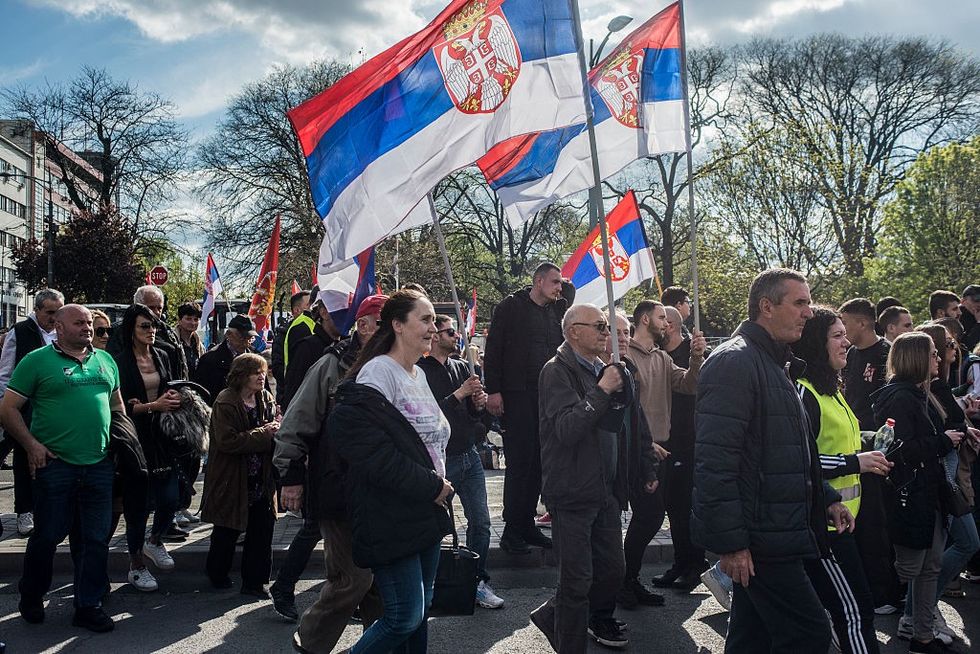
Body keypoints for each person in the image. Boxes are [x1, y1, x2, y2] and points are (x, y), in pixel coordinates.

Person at [692, 268, 853, 653]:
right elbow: (715, 463)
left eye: (808, 303)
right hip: (763, 537)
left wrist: (826, 496)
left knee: (752, 639)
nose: (809, 313)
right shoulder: (735, 362)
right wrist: (732, 545)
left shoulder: (773, 363)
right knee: (810, 634)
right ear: (766, 306)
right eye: (799, 303)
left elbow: (791, 450)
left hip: (775, 530)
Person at [328, 289, 453, 653]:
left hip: (426, 506)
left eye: (434, 320)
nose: (435, 327)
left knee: (420, 612)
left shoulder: (419, 374)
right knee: (404, 615)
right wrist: (429, 484)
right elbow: (370, 449)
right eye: (426, 320)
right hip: (390, 508)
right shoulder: (378, 372)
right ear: (398, 325)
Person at [530, 304, 658, 653]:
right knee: (576, 582)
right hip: (572, 492)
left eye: (608, 325)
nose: (607, 332)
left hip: (606, 490)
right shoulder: (556, 371)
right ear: (573, 332)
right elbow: (568, 429)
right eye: (600, 326)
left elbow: (630, 426)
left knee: (612, 572)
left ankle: (551, 615)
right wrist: (603, 390)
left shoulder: (606, 368)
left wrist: (642, 467)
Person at [0, 304, 122, 632]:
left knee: (95, 540)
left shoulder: (106, 361)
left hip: (99, 465)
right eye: (79, 322)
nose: (87, 328)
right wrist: (31, 446)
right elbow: (8, 409)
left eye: (90, 323)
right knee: (47, 536)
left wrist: (122, 443)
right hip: (55, 466)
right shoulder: (37, 361)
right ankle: (31, 594)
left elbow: (116, 406)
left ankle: (88, 605)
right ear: (59, 326)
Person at [274, 295, 386, 649]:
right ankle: (309, 644)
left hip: (382, 491)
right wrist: (291, 476)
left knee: (379, 585)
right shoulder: (331, 365)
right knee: (351, 580)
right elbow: (296, 422)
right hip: (338, 488)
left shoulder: (398, 367)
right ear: (363, 325)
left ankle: (377, 645)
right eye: (384, 323)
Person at [792, 306, 889, 654]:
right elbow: (800, 461)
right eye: (837, 335)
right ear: (817, 343)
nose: (847, 342)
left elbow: (838, 439)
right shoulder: (804, 393)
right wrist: (856, 461)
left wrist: (871, 440)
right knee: (854, 612)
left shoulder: (831, 389)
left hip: (843, 521)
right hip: (823, 527)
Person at [871, 332, 961, 653]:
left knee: (930, 568)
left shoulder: (920, 394)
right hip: (911, 496)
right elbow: (898, 450)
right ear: (918, 358)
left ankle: (923, 636)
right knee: (911, 569)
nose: (939, 359)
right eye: (934, 354)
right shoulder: (901, 397)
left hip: (930, 494)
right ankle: (913, 628)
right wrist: (943, 441)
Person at [483, 262, 573, 553]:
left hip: (547, 395)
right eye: (554, 282)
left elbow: (570, 295)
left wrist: (563, 288)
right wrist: (494, 390)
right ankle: (512, 529)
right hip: (517, 393)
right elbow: (493, 349)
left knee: (539, 461)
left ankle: (527, 525)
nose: (560, 288)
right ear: (538, 281)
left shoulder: (557, 310)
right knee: (520, 462)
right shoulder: (511, 307)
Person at [419, 314, 504, 609]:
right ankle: (427, 584)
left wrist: (478, 406)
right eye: (450, 331)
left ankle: (477, 580)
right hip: (440, 459)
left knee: (480, 523)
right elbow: (429, 414)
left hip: (468, 454)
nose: (456, 336)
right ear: (435, 336)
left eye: (456, 331)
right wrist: (460, 393)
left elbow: (473, 416)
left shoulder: (461, 367)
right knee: (433, 526)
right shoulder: (420, 371)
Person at [907, 324, 979, 642]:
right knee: (962, 545)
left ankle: (919, 612)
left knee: (933, 557)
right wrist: (955, 434)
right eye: (944, 345)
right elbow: (925, 439)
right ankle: (919, 612)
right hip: (941, 478)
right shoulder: (922, 390)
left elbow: (949, 422)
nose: (952, 349)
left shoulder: (939, 385)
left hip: (948, 475)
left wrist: (965, 428)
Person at [626, 300, 705, 592]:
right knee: (649, 516)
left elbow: (688, 385)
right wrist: (644, 444)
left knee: (661, 513)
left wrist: (696, 358)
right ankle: (626, 579)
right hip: (641, 451)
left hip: (665, 449)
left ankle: (629, 579)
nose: (666, 324)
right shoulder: (624, 357)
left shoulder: (662, 357)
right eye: (661, 317)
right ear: (645, 320)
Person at [838, 297, 903, 615]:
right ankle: (865, 587)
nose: (842, 329)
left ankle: (886, 593)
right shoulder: (849, 355)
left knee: (877, 524)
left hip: (878, 451)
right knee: (860, 523)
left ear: (862, 322)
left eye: (845, 322)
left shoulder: (886, 353)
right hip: (853, 449)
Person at [113, 303, 184, 583]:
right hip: (133, 438)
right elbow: (119, 408)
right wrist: (152, 406)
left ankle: (154, 541)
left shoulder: (163, 355)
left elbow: (171, 388)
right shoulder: (118, 362)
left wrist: (175, 399)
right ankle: (136, 565)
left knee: (170, 499)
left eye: (154, 325)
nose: (152, 331)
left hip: (162, 437)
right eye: (145, 326)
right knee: (137, 506)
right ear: (131, 329)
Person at [201, 353, 279, 595]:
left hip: (261, 476)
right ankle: (217, 574)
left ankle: (255, 583)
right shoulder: (225, 401)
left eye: (263, 371)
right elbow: (228, 442)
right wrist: (265, 434)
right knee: (227, 529)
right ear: (241, 375)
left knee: (262, 531)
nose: (261, 376)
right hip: (232, 478)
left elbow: (270, 429)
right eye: (256, 372)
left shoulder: (264, 397)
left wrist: (276, 428)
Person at [0, 288, 64, 537]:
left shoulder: (64, 331)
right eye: (49, 312)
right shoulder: (21, 332)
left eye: (58, 311)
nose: (54, 317)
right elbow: (6, 372)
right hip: (25, 407)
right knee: (23, 458)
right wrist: (6, 407)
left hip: (56, 406)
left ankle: (49, 509)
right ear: (36, 310)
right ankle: (24, 510)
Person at [660, 305, 711, 590]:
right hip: (667, 441)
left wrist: (697, 357)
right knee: (673, 507)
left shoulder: (697, 356)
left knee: (686, 506)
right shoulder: (660, 356)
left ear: (669, 325)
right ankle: (680, 562)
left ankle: (696, 563)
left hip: (690, 439)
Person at [280, 295, 342, 409]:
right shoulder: (306, 347)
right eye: (341, 310)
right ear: (324, 313)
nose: (348, 317)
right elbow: (294, 391)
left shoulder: (347, 347)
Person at [194, 315, 257, 405]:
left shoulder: (255, 359)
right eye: (242, 337)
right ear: (228, 334)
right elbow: (202, 393)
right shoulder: (210, 359)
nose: (246, 342)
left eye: (250, 338)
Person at [271, 290, 310, 403]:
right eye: (309, 304)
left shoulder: (314, 331)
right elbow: (278, 370)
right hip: (291, 399)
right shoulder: (282, 336)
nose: (313, 307)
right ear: (297, 310)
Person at [175, 302, 205, 378]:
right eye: (188, 319)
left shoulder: (200, 346)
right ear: (179, 320)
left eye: (196, 319)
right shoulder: (172, 342)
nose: (192, 323)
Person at [960, 284, 980, 352]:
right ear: (963, 301)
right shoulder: (956, 317)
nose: (979, 304)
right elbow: (965, 346)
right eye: (976, 300)